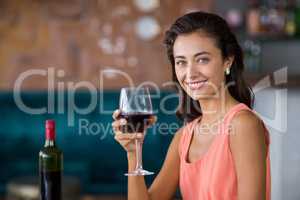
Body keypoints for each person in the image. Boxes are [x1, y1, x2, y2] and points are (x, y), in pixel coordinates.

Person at [112, 11, 270, 200]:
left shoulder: (243, 124)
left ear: (227, 60)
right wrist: (132, 153)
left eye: (202, 59)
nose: (190, 73)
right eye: (181, 62)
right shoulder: (184, 137)